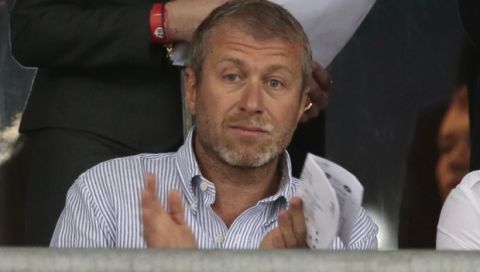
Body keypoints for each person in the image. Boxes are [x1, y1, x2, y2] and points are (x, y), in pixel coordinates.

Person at [50, 0, 378, 249]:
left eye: (275, 83)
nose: (253, 103)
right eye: (232, 76)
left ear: (301, 104)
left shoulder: (344, 231)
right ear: (192, 90)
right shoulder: (104, 195)